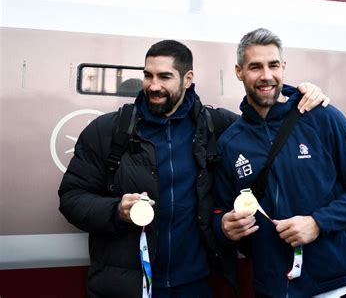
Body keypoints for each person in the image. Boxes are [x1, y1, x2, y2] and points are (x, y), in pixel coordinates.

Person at [58, 39, 330, 298]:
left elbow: (270, 132)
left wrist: (305, 95)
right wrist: (116, 210)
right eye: (148, 76)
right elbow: (71, 198)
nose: (153, 86)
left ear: (188, 79)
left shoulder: (219, 126)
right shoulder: (107, 131)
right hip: (126, 287)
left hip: (196, 284)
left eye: (164, 77)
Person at [213, 28, 346, 298]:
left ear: (283, 67)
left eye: (273, 65)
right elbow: (219, 210)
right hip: (274, 289)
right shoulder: (230, 142)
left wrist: (318, 222)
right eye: (255, 66)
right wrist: (224, 226)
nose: (266, 76)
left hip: (338, 286)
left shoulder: (321, 117)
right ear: (239, 71)